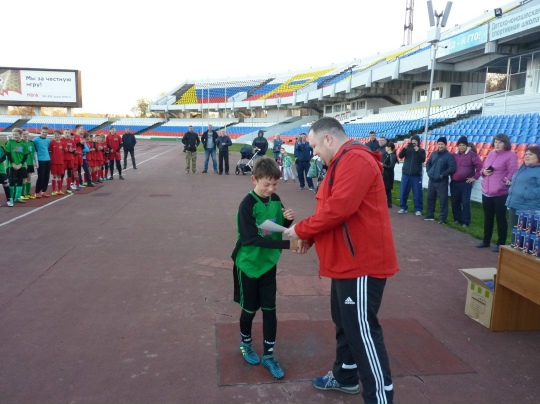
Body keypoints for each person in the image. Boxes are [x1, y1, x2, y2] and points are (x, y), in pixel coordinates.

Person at [284, 117, 398, 404]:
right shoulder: (342, 161)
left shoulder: (355, 159)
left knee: (362, 331)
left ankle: (380, 398)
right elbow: (330, 211)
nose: (314, 153)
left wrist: (301, 230)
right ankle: (346, 376)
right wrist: (310, 237)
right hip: (347, 261)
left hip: (360, 264)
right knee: (346, 323)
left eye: (314, 147)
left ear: (328, 139)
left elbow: (339, 209)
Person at [231, 156, 298, 380]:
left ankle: (269, 355)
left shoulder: (276, 199)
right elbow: (251, 239)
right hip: (248, 266)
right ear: (254, 179)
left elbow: (275, 228)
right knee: (249, 310)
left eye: (275, 184)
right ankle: (246, 343)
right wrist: (288, 244)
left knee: (270, 310)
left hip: (268, 265)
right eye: (266, 184)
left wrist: (288, 221)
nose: (271, 189)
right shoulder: (247, 205)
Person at [476, 133, 518, 252]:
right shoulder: (491, 154)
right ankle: (486, 240)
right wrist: (484, 172)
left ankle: (500, 243)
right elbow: (483, 168)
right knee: (488, 217)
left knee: (500, 218)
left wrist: (503, 181)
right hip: (487, 190)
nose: (497, 144)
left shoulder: (511, 155)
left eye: (500, 142)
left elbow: (512, 172)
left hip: (500, 192)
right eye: (495, 142)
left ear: (505, 143)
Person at [450, 136, 483, 227]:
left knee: (465, 202)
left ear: (466, 146)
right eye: (460, 145)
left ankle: (466, 222)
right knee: (455, 201)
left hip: (466, 183)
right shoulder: (454, 155)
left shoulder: (472, 154)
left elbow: (480, 166)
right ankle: (457, 219)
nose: (461, 147)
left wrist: (475, 177)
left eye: (463, 145)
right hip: (454, 182)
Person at [505, 145, 540, 229]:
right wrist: (511, 183)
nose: (527, 156)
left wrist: (527, 194)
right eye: (526, 154)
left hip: (528, 208)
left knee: (525, 234)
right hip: (514, 204)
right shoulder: (523, 167)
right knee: (515, 232)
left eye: (530, 154)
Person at [423, 137, 456, 224]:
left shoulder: (449, 156)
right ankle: (430, 215)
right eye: (439, 144)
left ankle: (442, 218)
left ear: (445, 145)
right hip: (432, 180)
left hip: (442, 181)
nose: (440, 146)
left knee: (443, 200)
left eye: (442, 144)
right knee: (430, 198)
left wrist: (443, 175)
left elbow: (452, 168)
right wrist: (429, 172)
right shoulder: (434, 154)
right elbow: (428, 163)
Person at [398, 134, 426, 215]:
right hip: (406, 174)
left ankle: (418, 209)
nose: (414, 143)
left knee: (417, 193)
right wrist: (404, 148)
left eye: (415, 141)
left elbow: (422, 160)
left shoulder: (421, 151)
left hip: (416, 175)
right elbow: (400, 156)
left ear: (418, 142)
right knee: (403, 192)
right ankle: (403, 207)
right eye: (412, 141)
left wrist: (418, 151)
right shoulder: (407, 150)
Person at [5, 128, 29, 204]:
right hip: (12, 166)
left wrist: (20, 164)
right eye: (13, 135)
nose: (14, 136)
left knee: (20, 181)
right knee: (12, 181)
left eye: (16, 135)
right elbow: (8, 154)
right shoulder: (10, 142)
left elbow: (25, 155)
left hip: (21, 166)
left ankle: (17, 197)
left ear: (20, 135)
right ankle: (11, 198)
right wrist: (13, 164)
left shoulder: (24, 143)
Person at [33, 125, 52, 198]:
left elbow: (47, 149)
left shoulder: (48, 140)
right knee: (41, 176)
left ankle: (44, 191)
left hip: (47, 160)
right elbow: (34, 151)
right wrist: (35, 161)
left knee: (47, 176)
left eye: (46, 132)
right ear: (40, 132)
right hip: (40, 160)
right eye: (43, 132)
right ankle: (37, 192)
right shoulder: (35, 140)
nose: (44, 133)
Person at [21, 129, 37, 200]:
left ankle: (28, 194)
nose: (25, 135)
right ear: (21, 135)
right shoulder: (21, 143)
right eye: (24, 134)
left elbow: (34, 153)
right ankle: (22, 194)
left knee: (29, 178)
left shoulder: (31, 143)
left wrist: (36, 162)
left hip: (30, 163)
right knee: (23, 179)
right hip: (23, 164)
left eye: (26, 134)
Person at [49, 130, 65, 196]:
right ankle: (53, 190)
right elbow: (50, 152)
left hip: (60, 162)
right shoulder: (52, 143)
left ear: (60, 135)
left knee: (59, 176)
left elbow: (63, 151)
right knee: (54, 176)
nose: (56, 136)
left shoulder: (62, 143)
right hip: (54, 162)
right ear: (53, 135)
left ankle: (59, 190)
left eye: (58, 135)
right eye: (55, 135)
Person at [382, 142, 398, 207]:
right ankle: (388, 203)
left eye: (386, 147)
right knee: (387, 189)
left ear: (389, 148)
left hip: (389, 175)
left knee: (387, 189)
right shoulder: (388, 155)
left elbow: (391, 166)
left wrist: (383, 165)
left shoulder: (392, 156)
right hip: (386, 174)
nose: (385, 148)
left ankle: (388, 203)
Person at [0, 141, 12, 206]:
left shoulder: (1, 148)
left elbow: (4, 156)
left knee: (6, 185)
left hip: (1, 170)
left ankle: (9, 200)